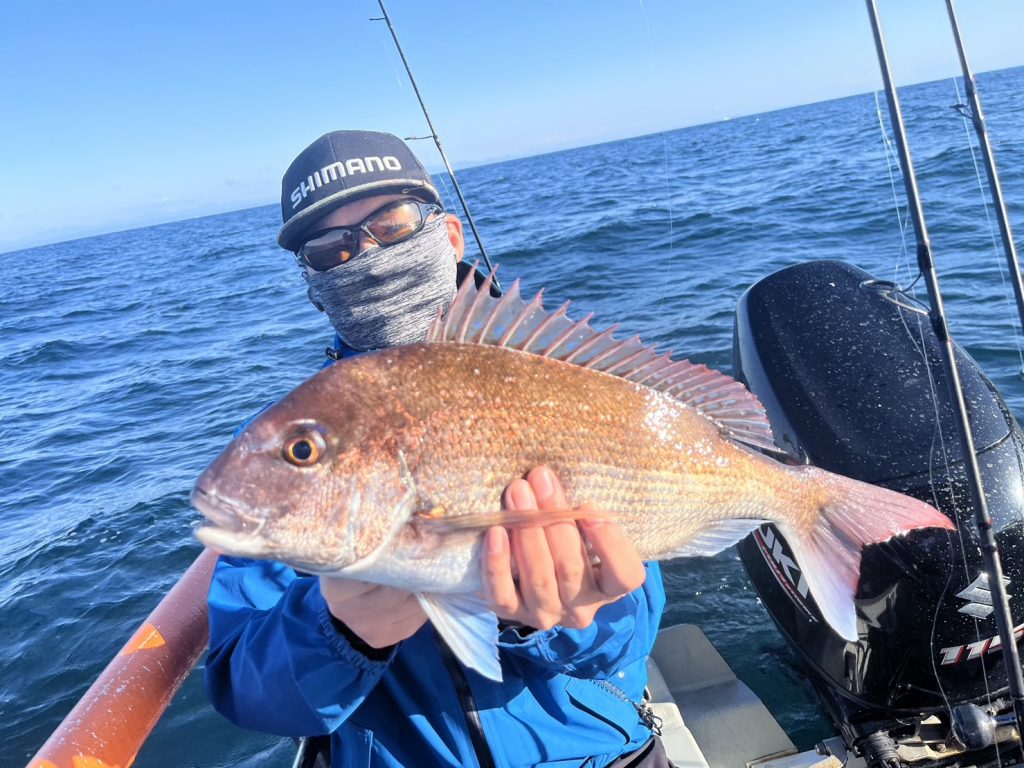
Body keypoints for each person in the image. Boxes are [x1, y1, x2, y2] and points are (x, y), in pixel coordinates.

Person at [204, 130, 669, 767]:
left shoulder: (559, 382)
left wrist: (556, 615)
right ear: (313, 282)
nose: (367, 257)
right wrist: (340, 632)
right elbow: (247, 692)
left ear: (450, 236)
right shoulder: (294, 443)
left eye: (391, 225)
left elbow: (629, 637)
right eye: (333, 249)